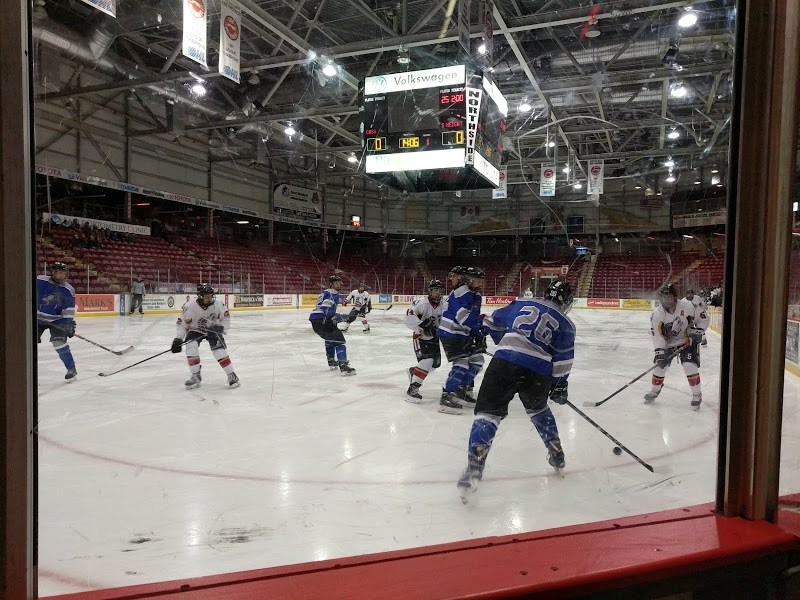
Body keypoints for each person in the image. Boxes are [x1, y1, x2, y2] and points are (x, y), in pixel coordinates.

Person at [456, 280, 576, 504]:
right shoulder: (567, 324)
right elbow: (563, 359)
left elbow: (492, 322)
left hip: (505, 361)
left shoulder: (523, 302)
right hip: (539, 371)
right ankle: (557, 453)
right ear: (567, 301)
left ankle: (474, 469)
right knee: (538, 409)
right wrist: (560, 385)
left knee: (488, 413)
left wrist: (494, 339)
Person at [644, 284, 705, 409]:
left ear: (675, 297)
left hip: (686, 340)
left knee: (689, 366)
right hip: (667, 344)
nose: (667, 300)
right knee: (660, 368)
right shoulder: (657, 314)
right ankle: (655, 390)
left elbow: (703, 318)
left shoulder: (687, 305)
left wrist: (698, 330)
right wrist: (660, 352)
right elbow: (657, 335)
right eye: (664, 297)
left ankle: (697, 394)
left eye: (669, 297)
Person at [437, 266, 486, 414]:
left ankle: (460, 389)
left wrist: (478, 336)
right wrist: (480, 329)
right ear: (469, 280)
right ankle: (447, 395)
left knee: (477, 361)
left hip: (462, 334)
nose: (480, 284)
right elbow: (463, 317)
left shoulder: (475, 295)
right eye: (478, 281)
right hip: (450, 333)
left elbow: (474, 318)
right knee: (462, 363)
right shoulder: (461, 293)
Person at [171, 283, 240, 389]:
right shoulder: (189, 306)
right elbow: (182, 324)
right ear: (200, 296)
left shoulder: (218, 304)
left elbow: (226, 319)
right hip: (195, 330)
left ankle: (232, 375)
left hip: (213, 329)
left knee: (219, 351)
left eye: (211, 295)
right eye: (207, 296)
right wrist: (178, 339)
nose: (210, 298)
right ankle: (195, 375)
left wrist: (221, 328)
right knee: (191, 348)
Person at [403, 279, 446, 402]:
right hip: (420, 337)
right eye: (435, 290)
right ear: (430, 291)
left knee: (434, 365)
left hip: (435, 338)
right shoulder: (421, 303)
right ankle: (412, 390)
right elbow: (408, 317)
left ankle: (414, 371)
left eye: (440, 291)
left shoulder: (444, 304)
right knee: (427, 361)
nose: (437, 293)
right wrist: (422, 326)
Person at [36, 262, 78, 382]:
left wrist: (68, 324)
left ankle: (71, 369)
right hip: (36, 319)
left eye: (61, 273)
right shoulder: (39, 281)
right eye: (56, 272)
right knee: (26, 345)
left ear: (65, 274)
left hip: (57, 320)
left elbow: (68, 311)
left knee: (59, 343)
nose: (58, 275)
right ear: (52, 272)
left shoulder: (68, 290)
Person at [309, 275, 356, 375]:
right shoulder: (333, 293)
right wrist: (340, 317)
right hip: (323, 321)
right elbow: (327, 310)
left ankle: (331, 361)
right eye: (338, 282)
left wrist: (338, 317)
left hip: (315, 320)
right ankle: (343, 366)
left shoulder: (325, 292)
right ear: (332, 284)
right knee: (340, 341)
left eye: (340, 282)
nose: (340, 284)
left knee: (330, 339)